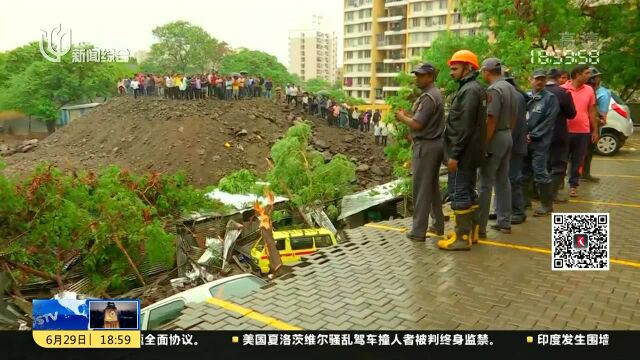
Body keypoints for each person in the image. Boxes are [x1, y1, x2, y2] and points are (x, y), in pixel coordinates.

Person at [437, 49, 486, 251]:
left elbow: (464, 127)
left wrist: (454, 155)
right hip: (471, 153)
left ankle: (462, 238)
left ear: (468, 68)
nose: (451, 72)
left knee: (459, 194)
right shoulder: (475, 88)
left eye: (455, 68)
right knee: (469, 193)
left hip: (462, 155)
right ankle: (470, 233)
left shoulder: (469, 91)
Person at [395, 63, 446, 241]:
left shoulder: (429, 97)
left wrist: (402, 118)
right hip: (433, 144)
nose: (417, 78)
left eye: (420, 75)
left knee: (421, 189)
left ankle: (418, 231)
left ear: (430, 76)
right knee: (431, 188)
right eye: (416, 74)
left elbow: (418, 124)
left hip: (427, 147)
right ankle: (438, 225)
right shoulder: (433, 94)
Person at [477, 58, 515, 236]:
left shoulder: (494, 90)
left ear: (486, 71)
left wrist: (484, 143)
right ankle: (504, 222)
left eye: (482, 71)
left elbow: (491, 119)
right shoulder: (509, 87)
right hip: (507, 134)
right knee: (503, 180)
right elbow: (514, 116)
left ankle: (480, 227)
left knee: (485, 184)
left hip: (496, 137)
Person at [522, 69, 559, 217]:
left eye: (543, 79)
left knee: (540, 172)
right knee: (524, 172)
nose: (540, 81)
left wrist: (533, 135)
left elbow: (549, 120)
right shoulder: (527, 96)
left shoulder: (550, 98)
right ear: (531, 79)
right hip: (524, 142)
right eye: (537, 79)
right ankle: (525, 202)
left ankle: (546, 205)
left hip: (540, 142)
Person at [561, 65, 599, 197]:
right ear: (577, 75)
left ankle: (573, 185)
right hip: (564, 131)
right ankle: (558, 183)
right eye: (586, 73)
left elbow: (592, 110)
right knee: (561, 159)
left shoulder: (589, 90)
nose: (589, 76)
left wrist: (595, 130)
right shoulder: (563, 89)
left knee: (578, 160)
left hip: (583, 131)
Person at [545, 68, 576, 202]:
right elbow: (571, 114)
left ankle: (538, 193)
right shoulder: (563, 93)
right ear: (558, 79)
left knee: (542, 164)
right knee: (558, 165)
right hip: (558, 133)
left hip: (540, 134)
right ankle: (551, 195)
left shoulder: (537, 91)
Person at [583, 67, 610, 182]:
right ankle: (584, 174)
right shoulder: (601, 93)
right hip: (589, 125)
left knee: (583, 152)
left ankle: (582, 173)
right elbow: (602, 115)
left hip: (587, 125)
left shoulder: (600, 93)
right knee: (586, 151)